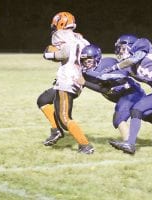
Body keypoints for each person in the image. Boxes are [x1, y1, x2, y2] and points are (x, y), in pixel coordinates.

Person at [39, 11, 94, 154]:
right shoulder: (82, 39)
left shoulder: (60, 35)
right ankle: (55, 131)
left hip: (67, 81)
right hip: (76, 79)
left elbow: (63, 54)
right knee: (43, 100)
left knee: (64, 118)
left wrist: (47, 54)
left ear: (60, 22)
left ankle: (85, 145)